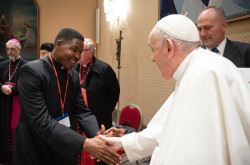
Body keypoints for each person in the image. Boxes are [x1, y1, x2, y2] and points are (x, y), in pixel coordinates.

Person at [99, 14, 250, 165]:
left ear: (169, 47)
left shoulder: (203, 74)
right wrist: (123, 143)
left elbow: (194, 155)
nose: (152, 58)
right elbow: (166, 128)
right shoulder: (194, 69)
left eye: (153, 49)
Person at [12, 28, 122, 165]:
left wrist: (98, 135)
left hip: (64, 146)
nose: (77, 56)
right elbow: (41, 120)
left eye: (80, 52)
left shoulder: (73, 75)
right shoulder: (32, 71)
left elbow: (82, 111)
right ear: (58, 44)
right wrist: (85, 144)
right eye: (74, 49)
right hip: (35, 148)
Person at [74, 38, 120, 165]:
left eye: (80, 51)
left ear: (90, 52)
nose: (77, 55)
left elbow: (114, 94)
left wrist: (103, 110)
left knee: (99, 157)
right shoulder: (74, 68)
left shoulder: (104, 69)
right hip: (77, 121)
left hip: (98, 120)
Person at [0, 39, 27, 164]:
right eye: (8, 49)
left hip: (18, 103)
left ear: (19, 50)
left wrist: (12, 90)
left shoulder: (26, 66)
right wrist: (2, 87)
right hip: (3, 104)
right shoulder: (2, 65)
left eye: (13, 49)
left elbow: (27, 85)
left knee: (16, 131)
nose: (10, 52)